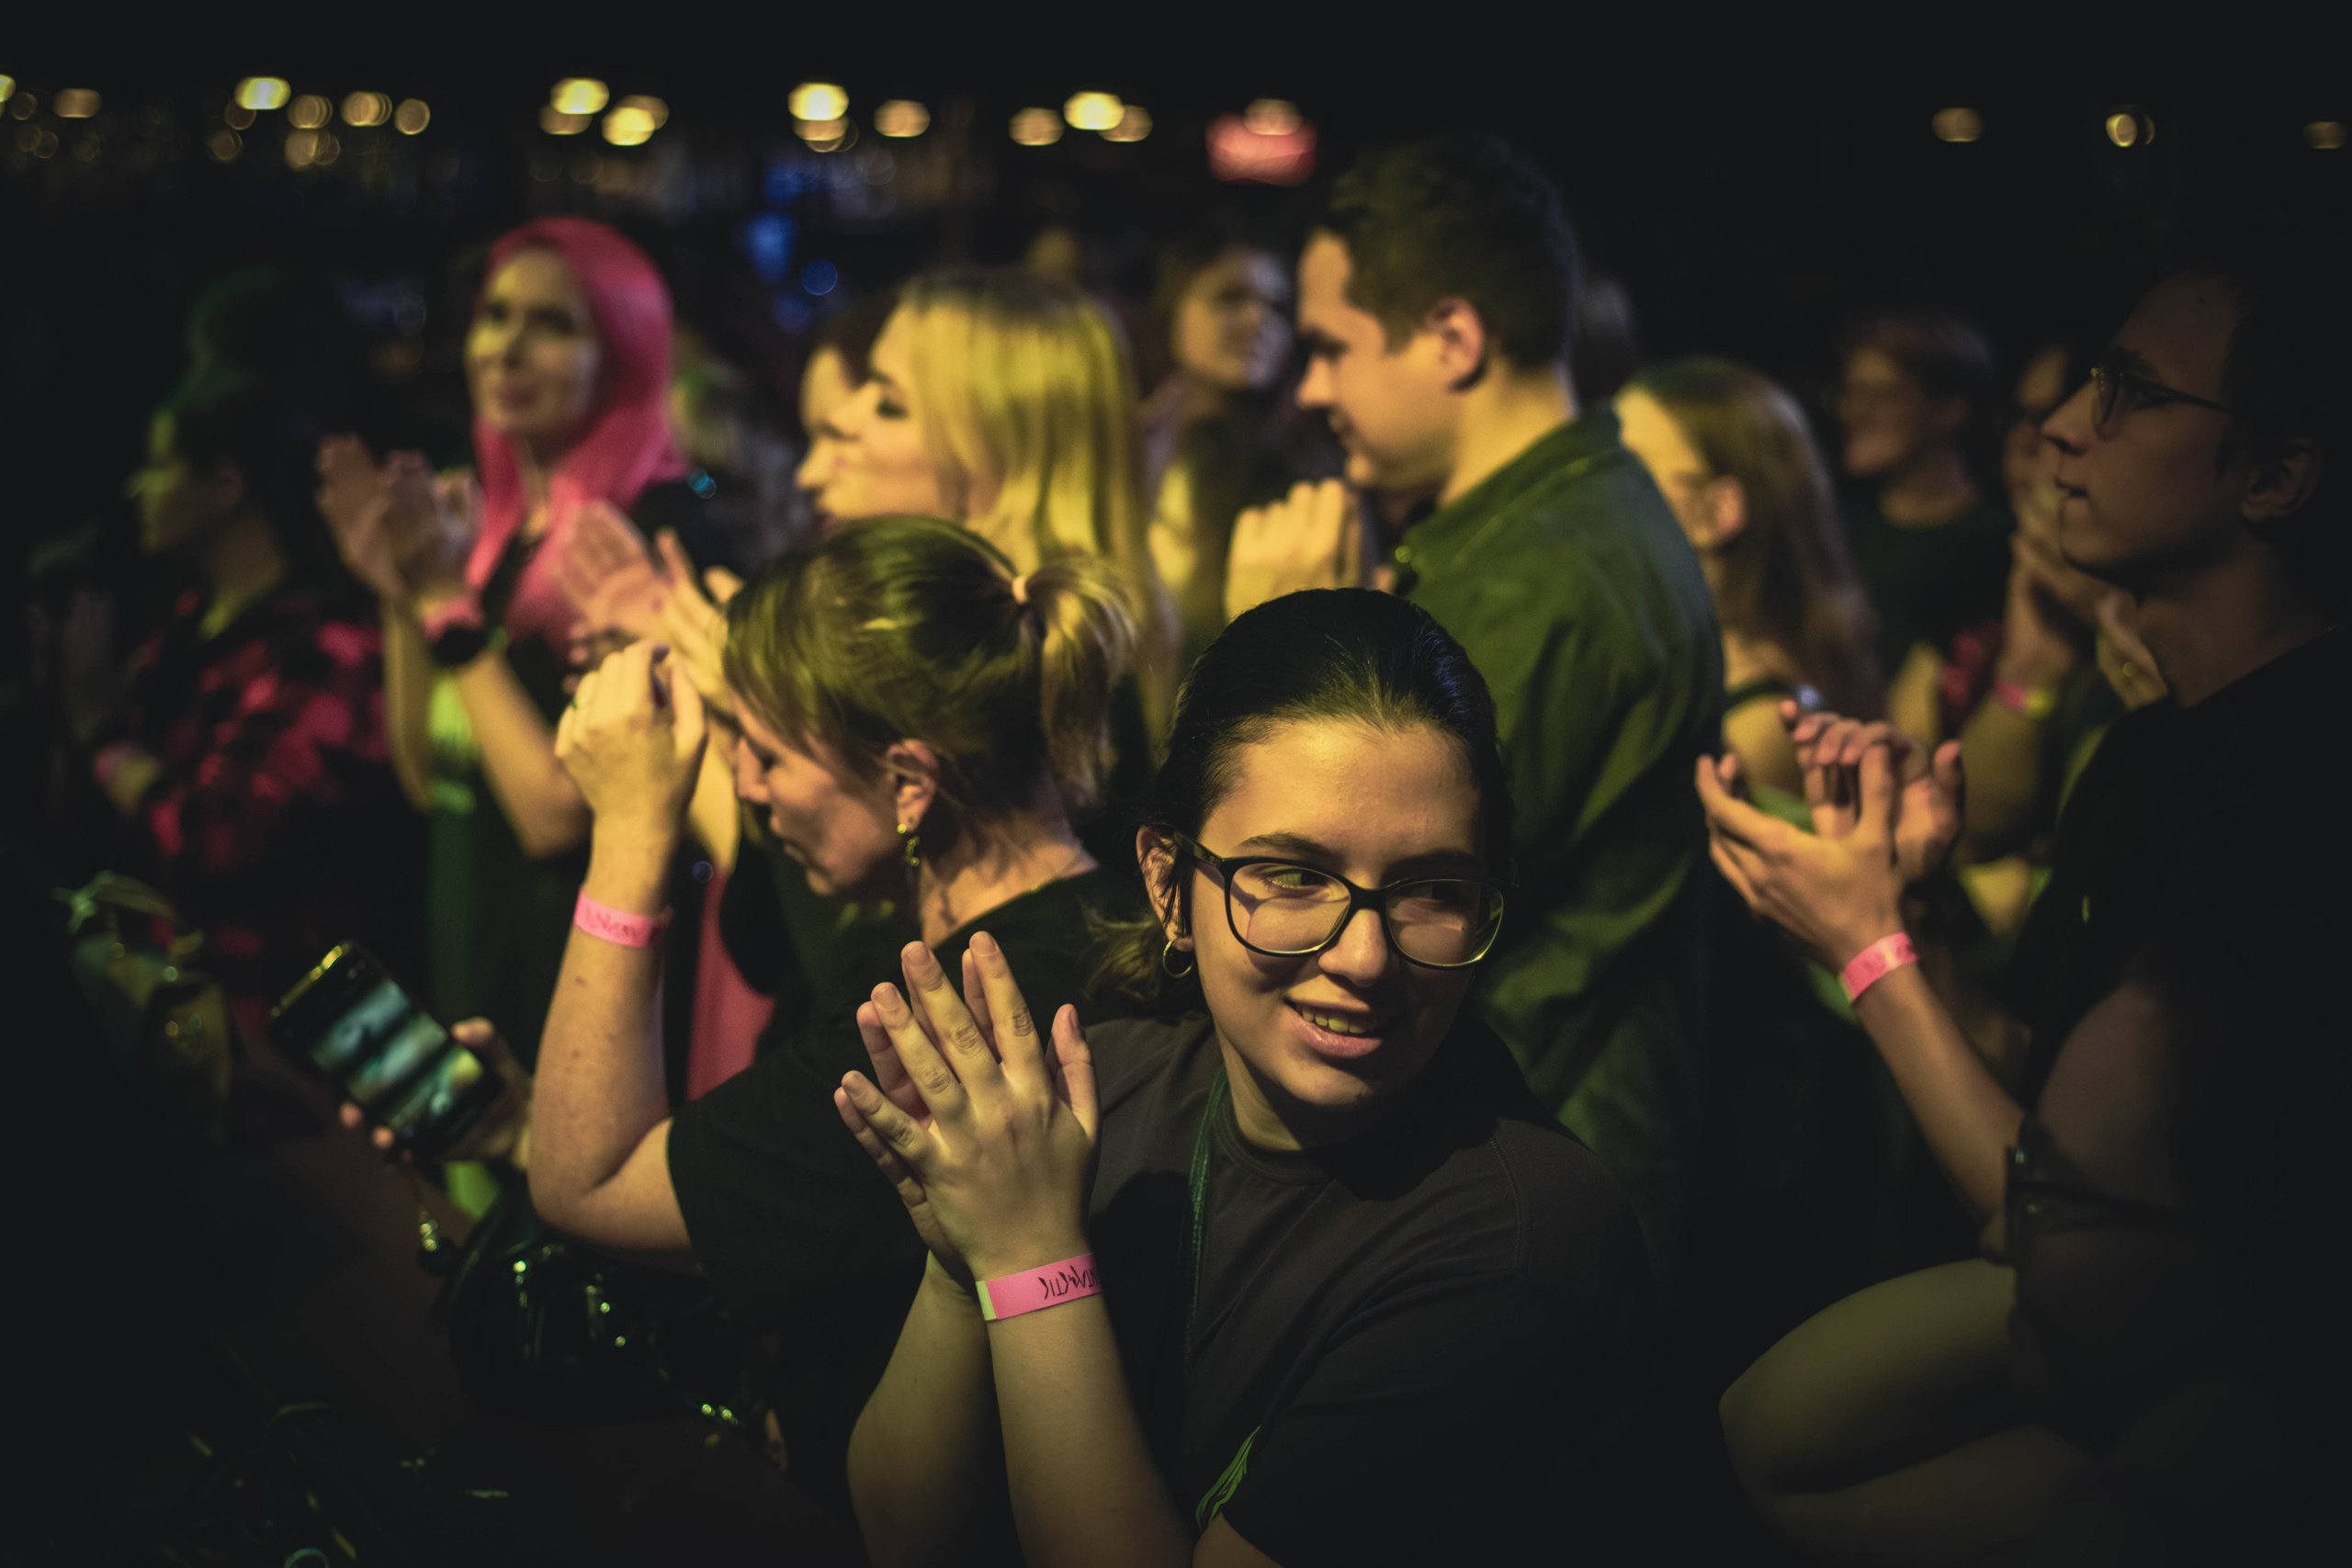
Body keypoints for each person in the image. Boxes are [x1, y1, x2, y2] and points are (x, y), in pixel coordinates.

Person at [837, 589, 1654, 1566]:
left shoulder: (1522, 1242)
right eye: (1294, 876)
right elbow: (900, 1533)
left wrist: (1028, 1260)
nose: (1364, 958)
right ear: (1166, 884)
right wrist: (959, 1258)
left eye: (1431, 888)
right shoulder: (1101, 1093)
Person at [1695, 216, 2350, 1231]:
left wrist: (1863, 945)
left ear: (2273, 478)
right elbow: (2025, 1067)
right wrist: (1908, 910)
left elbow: (2065, 1218)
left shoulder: (2300, 794)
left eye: (2132, 393)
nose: (2064, 427)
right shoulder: (2150, 742)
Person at [526, 518, 1151, 1514]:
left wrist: (631, 828)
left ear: (907, 783)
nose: (743, 784)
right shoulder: (1096, 918)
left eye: (766, 754)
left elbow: (584, 1182)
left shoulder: (945, 1025)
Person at [1225, 133, 1720, 1278]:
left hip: (1513, 1187)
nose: (1309, 388)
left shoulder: (1542, 576)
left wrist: (1277, 646)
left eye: (1332, 347)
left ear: (1452, 338)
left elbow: (1368, 887)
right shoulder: (1570, 516)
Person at [1720, 913, 2340, 1563]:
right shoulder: (2137, 1476)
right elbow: (1762, 1431)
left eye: (2060, 1195)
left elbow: (1782, 1452)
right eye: (2025, 1167)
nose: (1996, 1236)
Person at [316, 217, 724, 1066]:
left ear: (624, 355)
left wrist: (444, 606)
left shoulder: (650, 535)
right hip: (474, 971)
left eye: (554, 325)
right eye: (496, 316)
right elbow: (432, 777)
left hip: (578, 1004)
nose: (506, 349)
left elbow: (555, 815)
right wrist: (402, 597)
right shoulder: (494, 543)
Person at [88, 367, 421, 1010]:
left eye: (159, 466)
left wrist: (102, 738)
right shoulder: (184, 622)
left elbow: (224, 842)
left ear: (225, 485)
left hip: (275, 1015)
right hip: (168, 996)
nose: (136, 488)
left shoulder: (324, 645)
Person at [1617, 356, 1880, 801]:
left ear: (1717, 511)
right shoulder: (1681, 658)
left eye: (1629, 467)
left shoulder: (1759, 724)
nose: (1597, 490)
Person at [1135, 226, 1333, 668]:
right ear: (1172, 308)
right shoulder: (1131, 445)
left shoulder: (1310, 466)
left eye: (1278, 308)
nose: (1257, 320)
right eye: (1230, 298)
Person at [1833, 310, 2015, 748]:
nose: (1853, 411)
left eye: (1881, 395)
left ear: (1950, 410)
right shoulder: (1839, 525)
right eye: (1850, 392)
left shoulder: (1996, 543)